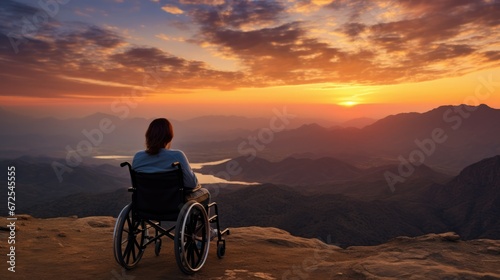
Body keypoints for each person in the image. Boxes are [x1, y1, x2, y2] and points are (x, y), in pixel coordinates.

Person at [132, 118, 211, 208]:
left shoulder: (138, 157)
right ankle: (195, 221)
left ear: (148, 135)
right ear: (169, 136)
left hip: (147, 205)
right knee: (205, 193)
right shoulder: (177, 156)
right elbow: (191, 184)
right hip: (174, 206)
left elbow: (136, 186)